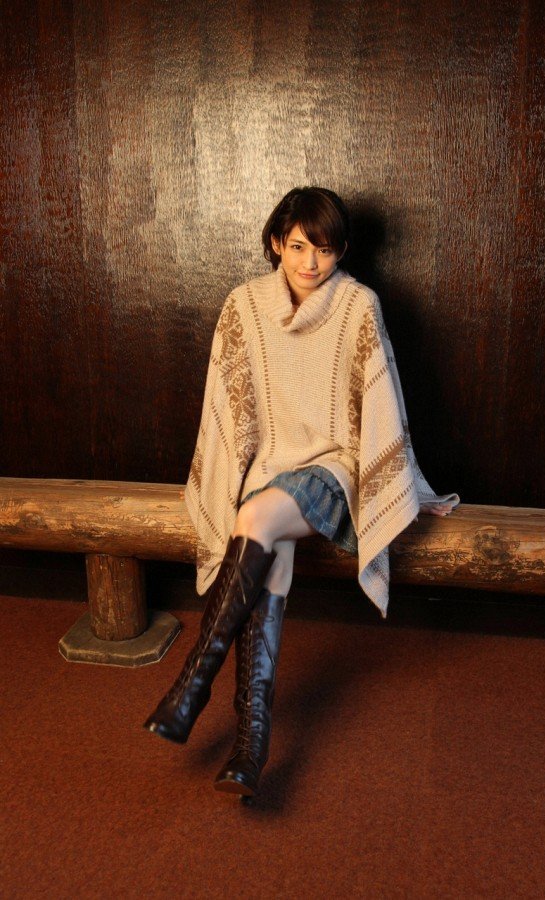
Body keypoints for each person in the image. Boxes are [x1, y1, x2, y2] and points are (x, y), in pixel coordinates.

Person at [144, 187, 459, 797]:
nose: (311, 263)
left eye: (325, 249)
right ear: (275, 244)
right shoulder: (244, 305)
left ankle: (191, 688)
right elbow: (228, 404)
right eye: (297, 247)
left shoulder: (358, 305)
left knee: (257, 519)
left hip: (334, 471)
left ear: (341, 250)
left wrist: (402, 484)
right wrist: (232, 475)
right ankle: (250, 745)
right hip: (269, 472)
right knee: (270, 545)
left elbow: (380, 404)